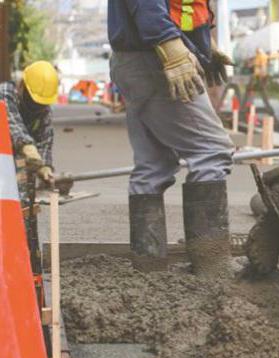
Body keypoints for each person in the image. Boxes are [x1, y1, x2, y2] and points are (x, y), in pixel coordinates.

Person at [107, 0, 236, 275]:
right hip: (156, 58)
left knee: (153, 166)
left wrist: (203, 45)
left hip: (137, 59)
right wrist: (172, 48)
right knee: (212, 151)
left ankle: (149, 268)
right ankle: (212, 267)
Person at [0, 61, 57, 186]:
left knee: (25, 186)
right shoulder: (5, 93)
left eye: (41, 104)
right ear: (22, 85)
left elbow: (45, 139)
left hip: (15, 155)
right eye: (34, 101)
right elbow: (13, 123)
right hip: (3, 152)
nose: (37, 106)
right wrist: (28, 148)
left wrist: (45, 166)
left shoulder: (44, 110)